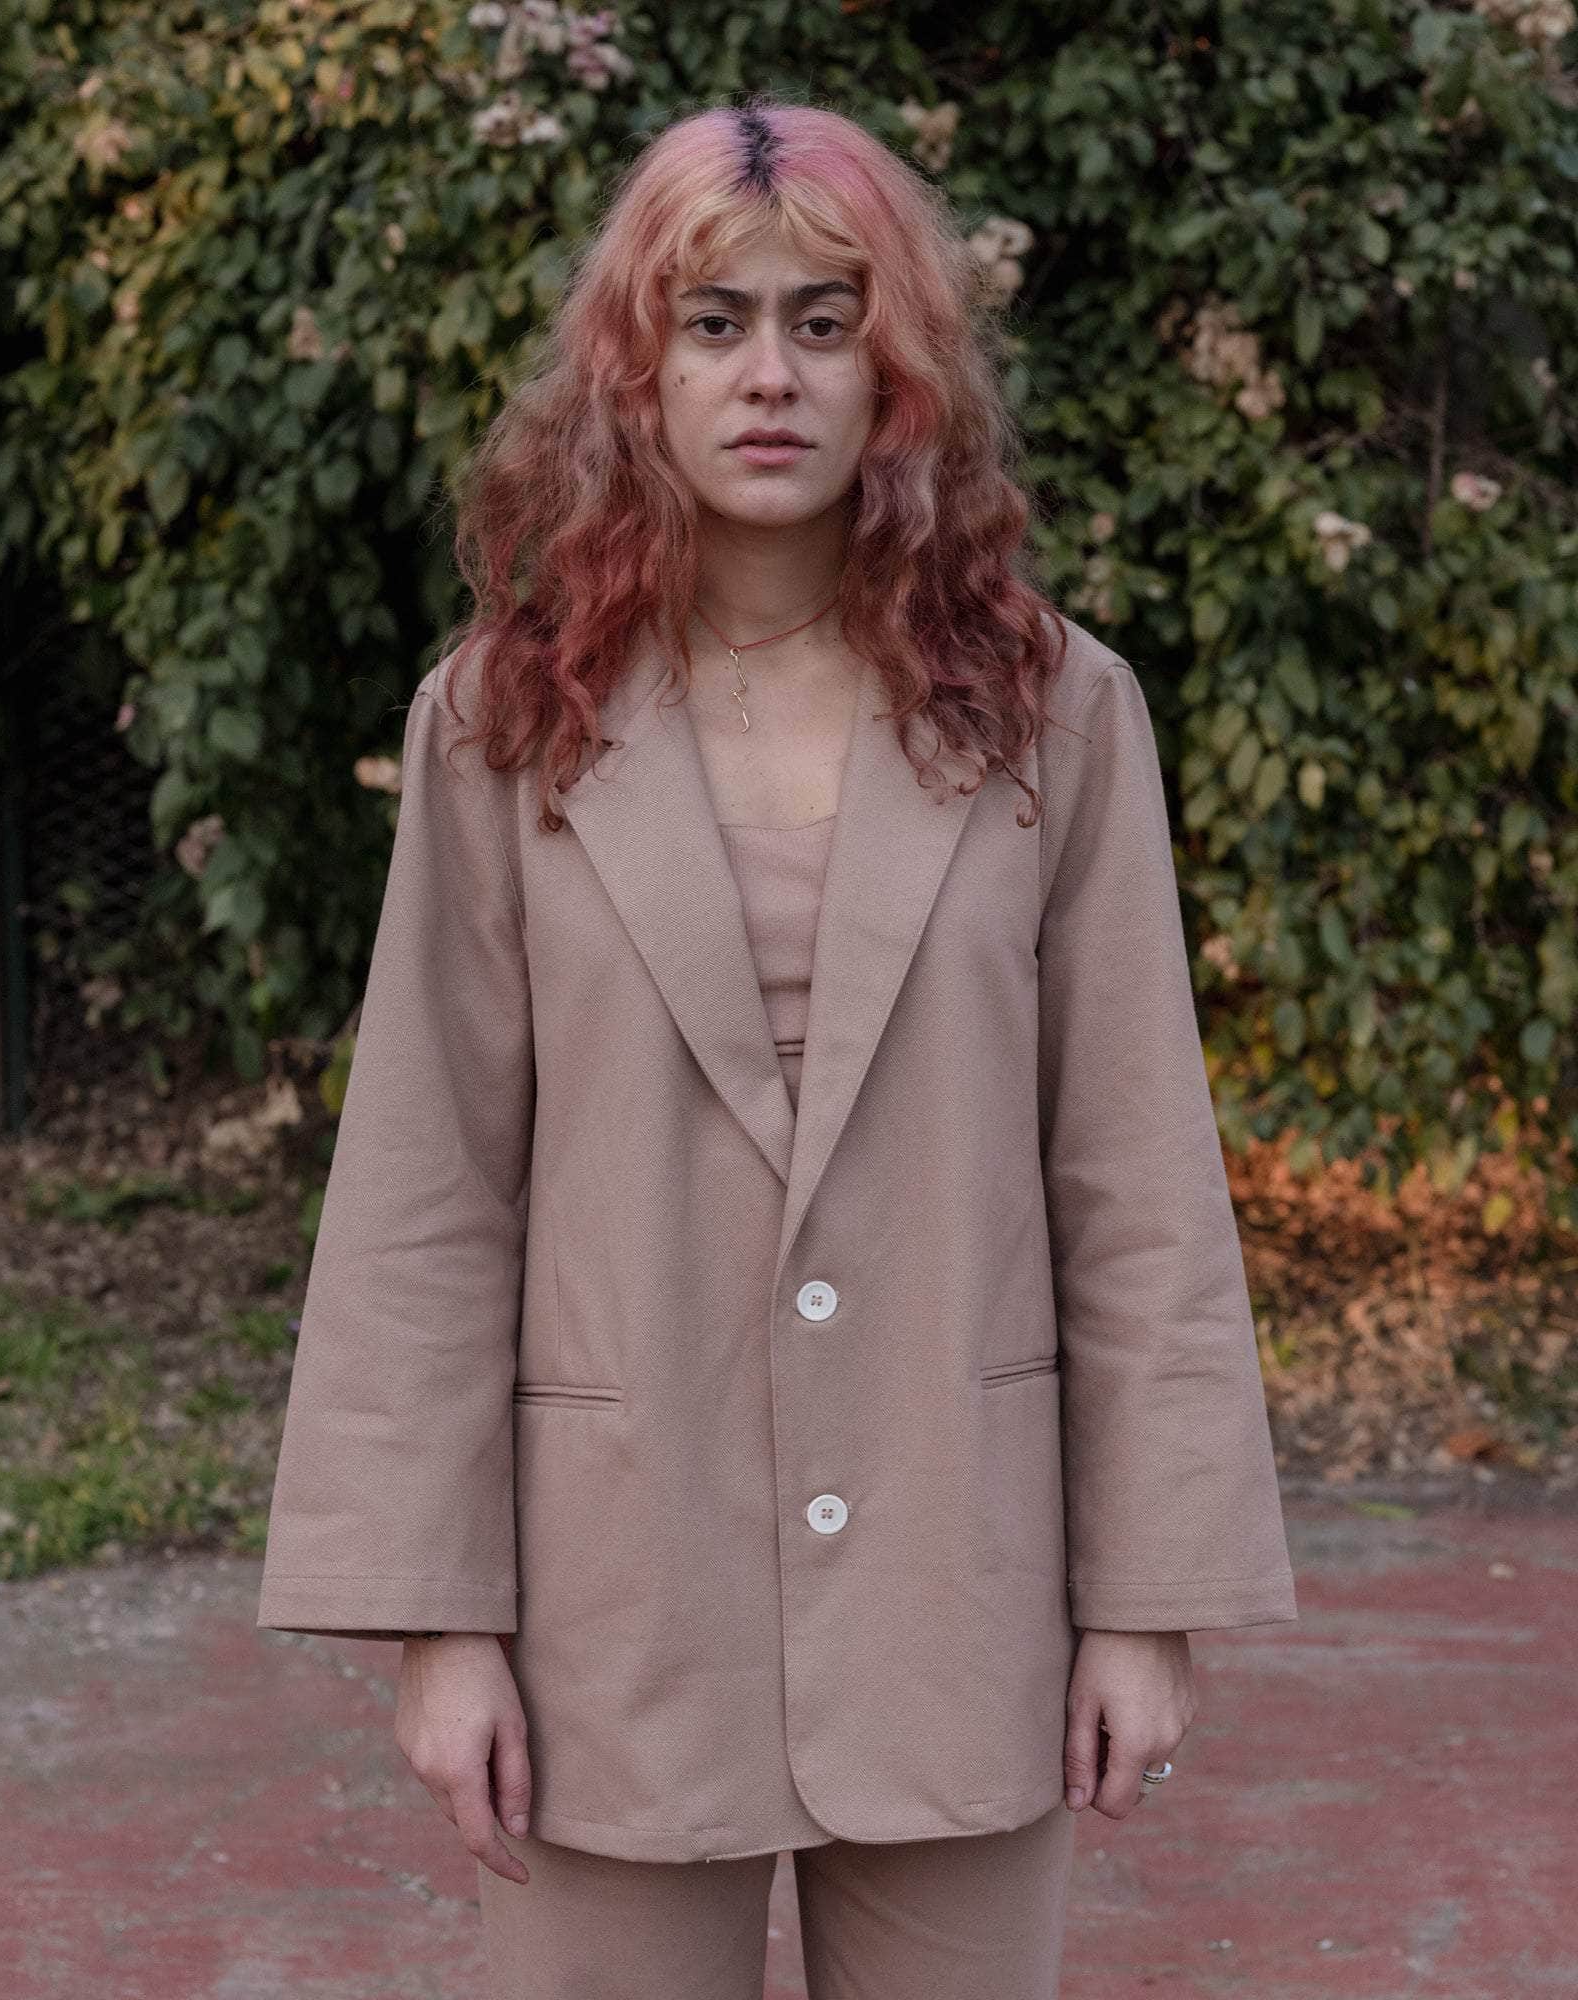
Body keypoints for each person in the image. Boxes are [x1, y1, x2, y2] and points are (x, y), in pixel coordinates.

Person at [257, 92, 1298, 1999]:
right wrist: (435, 1623)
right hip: (611, 1597)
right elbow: (428, 1186)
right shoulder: (501, 721)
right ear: (634, 370)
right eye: (715, 323)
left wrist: (1149, 1602)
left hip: (962, 1580)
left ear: (898, 372)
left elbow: (1137, 1176)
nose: (770, 377)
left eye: (827, 324)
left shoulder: (1053, 710)